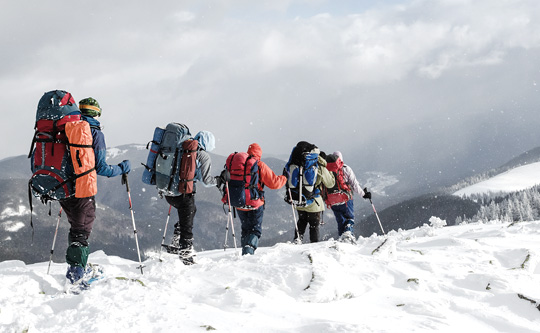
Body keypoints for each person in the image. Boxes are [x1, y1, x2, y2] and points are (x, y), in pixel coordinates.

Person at [64, 97, 130, 285]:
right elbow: (101, 168)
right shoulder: (95, 133)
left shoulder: (67, 128)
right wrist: (122, 168)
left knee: (76, 227)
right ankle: (76, 276)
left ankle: (76, 267)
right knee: (81, 230)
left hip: (64, 187)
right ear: (97, 113)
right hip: (82, 188)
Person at [165, 130, 217, 263]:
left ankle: (176, 243)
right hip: (184, 193)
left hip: (169, 192)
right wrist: (220, 180)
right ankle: (185, 253)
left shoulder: (181, 147)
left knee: (191, 212)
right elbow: (205, 181)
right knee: (188, 221)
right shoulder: (202, 155)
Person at [235, 143, 287, 255]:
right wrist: (284, 177)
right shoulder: (259, 165)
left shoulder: (239, 164)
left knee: (245, 229)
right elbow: (274, 183)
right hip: (254, 203)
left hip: (239, 202)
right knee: (254, 230)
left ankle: (245, 251)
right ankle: (248, 253)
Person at [292, 146, 335, 244]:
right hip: (314, 201)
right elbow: (330, 183)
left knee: (301, 221)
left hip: (300, 199)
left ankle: (297, 240)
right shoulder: (320, 166)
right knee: (314, 225)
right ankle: (314, 244)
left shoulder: (302, 163)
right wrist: (330, 172)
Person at [327, 151, 371, 241]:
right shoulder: (346, 168)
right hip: (345, 198)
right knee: (349, 218)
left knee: (340, 221)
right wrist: (363, 194)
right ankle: (348, 235)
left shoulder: (327, 169)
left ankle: (341, 238)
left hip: (332, 200)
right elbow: (354, 185)